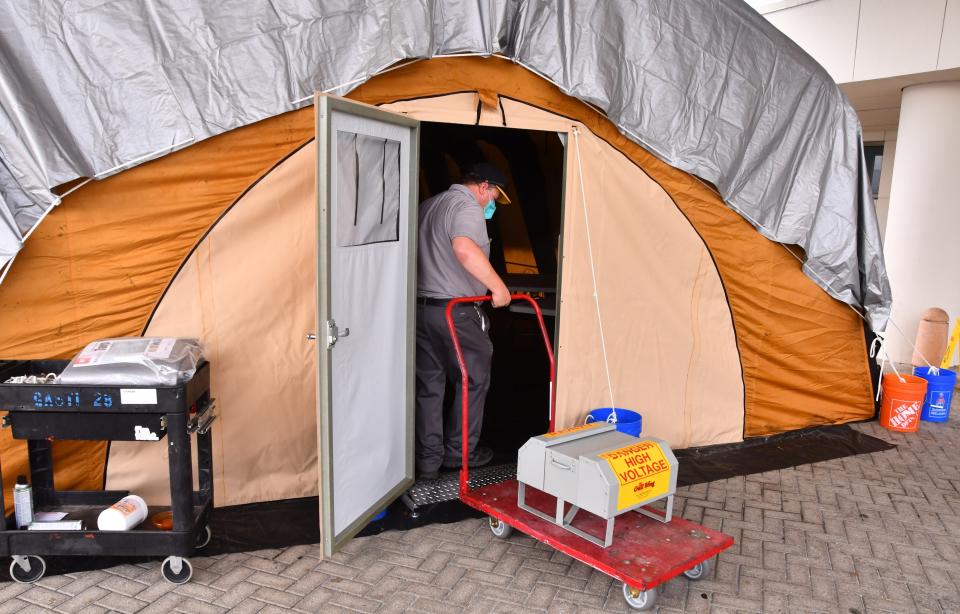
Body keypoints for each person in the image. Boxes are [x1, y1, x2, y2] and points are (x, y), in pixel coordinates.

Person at [415, 162, 513, 480]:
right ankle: (459, 455)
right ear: (484, 186)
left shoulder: (428, 206)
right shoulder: (467, 206)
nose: (493, 204)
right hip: (456, 312)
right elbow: (465, 249)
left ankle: (428, 460)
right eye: (495, 196)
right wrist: (499, 288)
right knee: (473, 380)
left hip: (422, 310)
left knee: (430, 384)